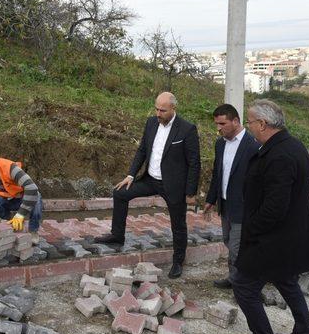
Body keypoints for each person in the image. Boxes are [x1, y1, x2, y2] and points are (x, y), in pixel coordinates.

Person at [228, 100, 309, 334]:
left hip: (274, 239)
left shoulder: (280, 155)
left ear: (263, 124)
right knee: (286, 280)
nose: (248, 126)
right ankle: (305, 331)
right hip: (290, 237)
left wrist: (251, 231)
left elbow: (274, 209)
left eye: (250, 122)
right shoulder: (292, 145)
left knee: (243, 285)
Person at [96, 92, 201, 279]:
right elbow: (142, 150)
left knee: (178, 223)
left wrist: (190, 191)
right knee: (120, 193)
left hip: (173, 185)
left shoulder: (187, 129)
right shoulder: (151, 123)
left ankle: (178, 260)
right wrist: (130, 175)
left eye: (163, 110)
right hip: (150, 179)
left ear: (173, 109)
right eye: (156, 109)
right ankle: (117, 235)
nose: (158, 113)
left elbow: (194, 162)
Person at [204, 104, 259, 289]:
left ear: (235, 121)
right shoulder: (220, 144)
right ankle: (234, 278)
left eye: (222, 123)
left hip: (245, 207)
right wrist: (211, 199)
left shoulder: (253, 145)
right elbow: (217, 174)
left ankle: (243, 286)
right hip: (226, 203)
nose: (218, 128)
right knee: (228, 241)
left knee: (237, 247)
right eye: (217, 124)